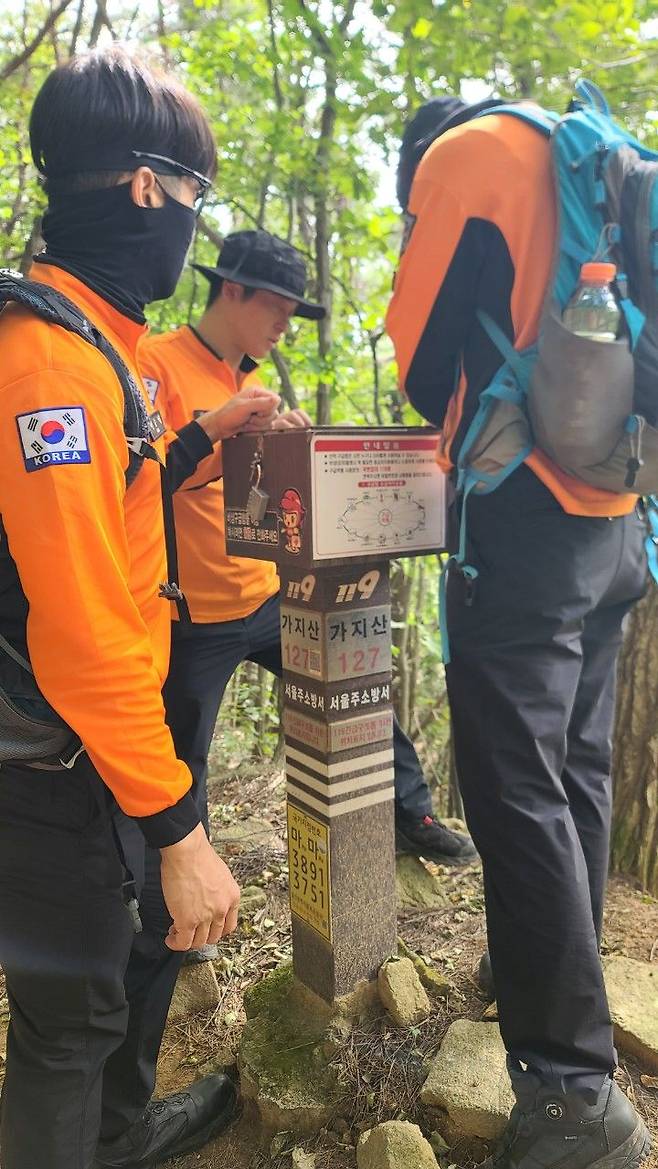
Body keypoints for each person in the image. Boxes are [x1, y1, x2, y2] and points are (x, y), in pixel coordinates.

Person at [0, 48, 283, 1169]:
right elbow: (75, 622)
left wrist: (194, 445)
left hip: (66, 751)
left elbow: (100, 513)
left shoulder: (86, 343)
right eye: (195, 193)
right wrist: (177, 827)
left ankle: (117, 1138)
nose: (192, 224)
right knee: (72, 1023)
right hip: (49, 760)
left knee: (82, 1002)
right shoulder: (50, 370)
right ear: (146, 187)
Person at [386, 97, 650, 1169]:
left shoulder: (467, 157)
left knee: (511, 781)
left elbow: (417, 351)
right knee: (574, 768)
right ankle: (555, 967)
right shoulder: (592, 161)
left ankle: (569, 1086)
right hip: (616, 518)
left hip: (519, 510)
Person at [139, 228, 477, 932]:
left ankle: (408, 810)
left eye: (293, 313)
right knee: (183, 759)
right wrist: (220, 428)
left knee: (355, 682)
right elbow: (145, 478)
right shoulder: (155, 362)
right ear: (230, 289)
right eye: (276, 307)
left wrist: (279, 442)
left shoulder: (246, 380)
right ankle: (174, 908)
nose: (284, 325)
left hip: (263, 593)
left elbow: (258, 491)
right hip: (190, 611)